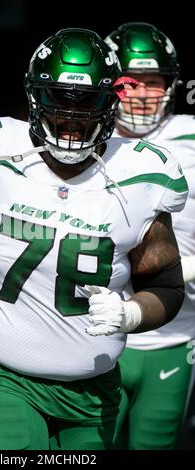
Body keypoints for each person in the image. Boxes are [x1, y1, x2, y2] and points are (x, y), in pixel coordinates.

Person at [0, 28, 188, 450]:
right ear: (34, 96)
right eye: (60, 98)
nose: (73, 118)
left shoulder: (142, 176)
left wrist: (131, 314)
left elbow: (165, 286)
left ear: (110, 102)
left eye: (87, 102)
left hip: (93, 393)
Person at [105, 22, 195, 449]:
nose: (142, 94)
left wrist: (187, 268)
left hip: (177, 333)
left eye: (153, 82)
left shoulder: (191, 138)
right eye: (130, 82)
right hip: (92, 334)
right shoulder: (82, 139)